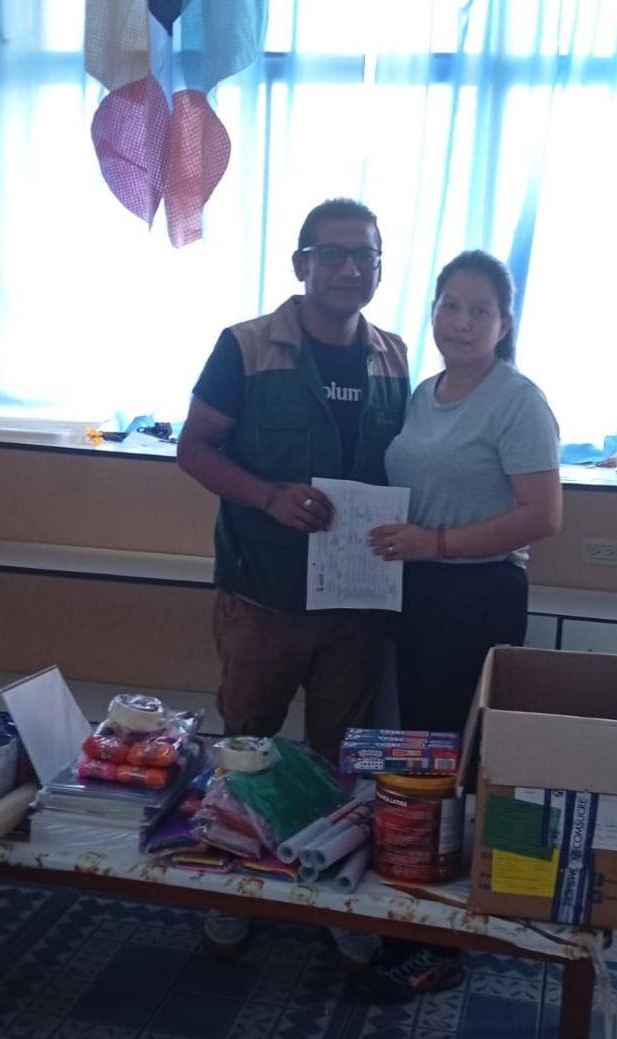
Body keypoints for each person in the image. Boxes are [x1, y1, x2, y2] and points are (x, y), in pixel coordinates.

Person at [177, 198, 409, 964]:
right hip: (263, 595)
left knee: (343, 757)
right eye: (333, 253)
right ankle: (230, 888)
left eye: (365, 255)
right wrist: (269, 496)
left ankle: (330, 885)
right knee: (247, 746)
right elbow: (195, 448)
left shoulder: (393, 357)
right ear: (301, 263)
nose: (349, 269)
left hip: (356, 602)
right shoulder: (245, 347)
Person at [356, 249, 562, 1002]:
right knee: (418, 761)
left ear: (504, 323)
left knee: (460, 767)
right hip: (416, 592)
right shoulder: (423, 394)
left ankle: (444, 944)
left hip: (477, 597)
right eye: (450, 305)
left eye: (481, 310)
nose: (462, 321)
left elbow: (542, 516)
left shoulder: (518, 401)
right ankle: (416, 916)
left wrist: (434, 543)